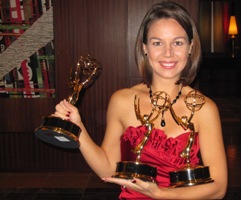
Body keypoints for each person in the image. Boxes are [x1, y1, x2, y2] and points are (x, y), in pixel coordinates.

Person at [54, 1, 227, 199]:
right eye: (157, 43)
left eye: (178, 42)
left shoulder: (205, 108)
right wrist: (78, 129)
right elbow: (108, 171)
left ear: (190, 47)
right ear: (145, 48)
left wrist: (160, 194)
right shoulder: (122, 100)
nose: (168, 53)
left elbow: (219, 188)